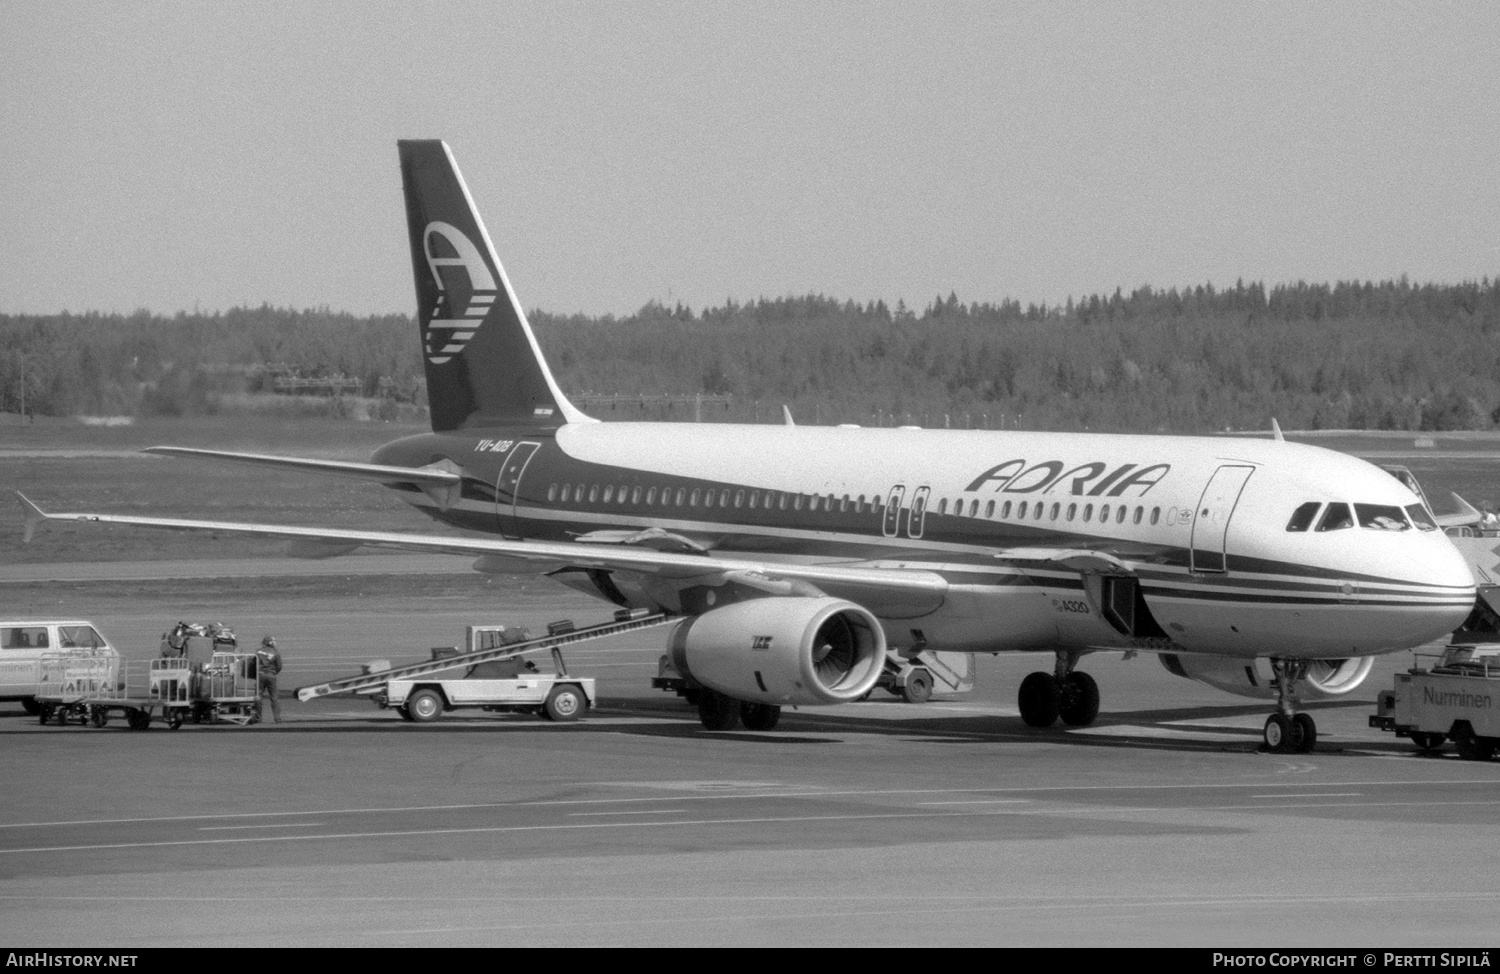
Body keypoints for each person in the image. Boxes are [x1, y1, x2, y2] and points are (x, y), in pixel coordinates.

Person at [256, 635, 284, 723]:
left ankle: (258, 718)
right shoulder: (275, 652)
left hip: (260, 675)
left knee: (258, 697)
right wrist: (273, 673)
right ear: (270, 642)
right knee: (274, 697)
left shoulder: (258, 651)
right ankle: (277, 718)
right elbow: (279, 666)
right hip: (271, 675)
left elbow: (253, 664)